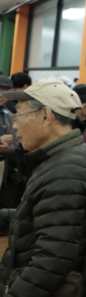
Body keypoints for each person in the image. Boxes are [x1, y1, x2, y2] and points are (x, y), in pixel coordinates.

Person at [0, 78, 86, 297]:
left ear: (46, 115)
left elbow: (51, 262)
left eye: (19, 116)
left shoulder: (66, 171)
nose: (14, 126)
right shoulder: (62, 158)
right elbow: (47, 216)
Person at [0, 77, 20, 209]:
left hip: (2, 163)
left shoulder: (8, 115)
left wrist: (8, 148)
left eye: (5, 92)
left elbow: (16, 142)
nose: (1, 95)